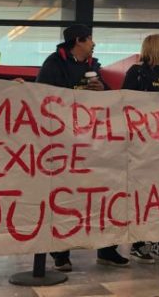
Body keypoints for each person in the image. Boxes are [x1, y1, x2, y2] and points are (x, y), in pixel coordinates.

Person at [36, 24, 129, 271]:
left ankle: (107, 249)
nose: (93, 44)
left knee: (102, 195)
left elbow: (109, 99)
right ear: (78, 40)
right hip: (63, 143)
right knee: (63, 197)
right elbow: (42, 97)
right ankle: (60, 252)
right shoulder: (53, 64)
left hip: (92, 143)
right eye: (90, 39)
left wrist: (102, 90)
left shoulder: (93, 66)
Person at [121, 34, 159, 263]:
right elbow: (126, 101)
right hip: (143, 139)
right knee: (143, 193)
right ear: (157, 48)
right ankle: (139, 243)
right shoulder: (136, 72)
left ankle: (158, 240)